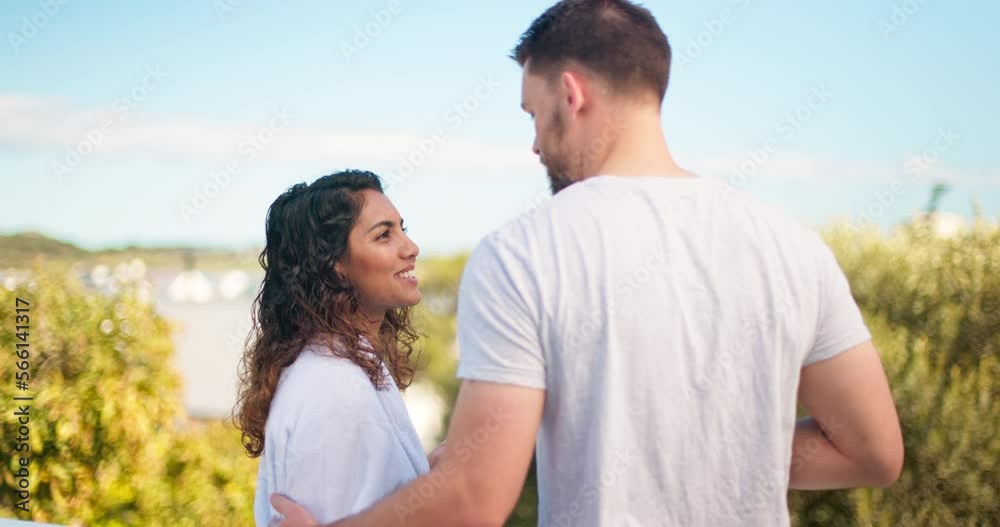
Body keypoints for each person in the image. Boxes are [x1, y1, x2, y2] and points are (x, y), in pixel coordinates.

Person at [272, 1, 904, 525]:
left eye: (533, 114)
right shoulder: (793, 244)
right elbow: (873, 453)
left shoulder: (522, 253)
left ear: (571, 94)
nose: (534, 143)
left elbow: (474, 500)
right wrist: (724, 453)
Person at [234, 170, 433, 526]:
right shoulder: (334, 390)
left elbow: (372, 499)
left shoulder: (351, 364)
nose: (411, 247)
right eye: (384, 235)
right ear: (335, 265)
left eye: (403, 229)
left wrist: (436, 474)